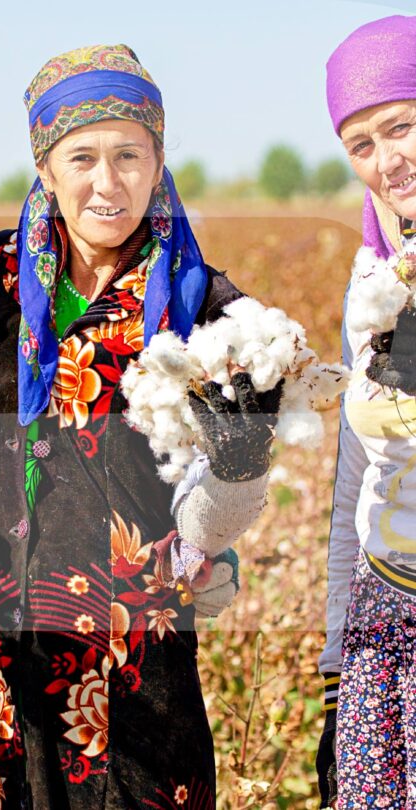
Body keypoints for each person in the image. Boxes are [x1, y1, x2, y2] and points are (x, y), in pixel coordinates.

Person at [0, 44, 281, 809]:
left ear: (159, 161)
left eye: (130, 155)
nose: (108, 182)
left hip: (135, 685)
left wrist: (235, 472)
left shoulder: (213, 316)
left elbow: (220, 519)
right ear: (45, 168)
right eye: (82, 157)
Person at [317, 15, 416, 810]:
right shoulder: (374, 276)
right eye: (362, 144)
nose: (388, 160)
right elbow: (357, 472)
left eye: (403, 126)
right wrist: (334, 647)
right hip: (388, 612)